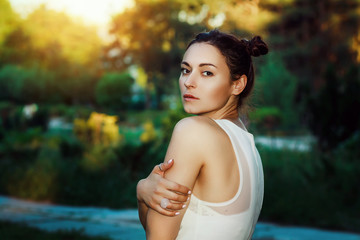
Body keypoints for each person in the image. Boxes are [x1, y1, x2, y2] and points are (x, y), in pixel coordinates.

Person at [136, 29, 268, 240]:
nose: (189, 81)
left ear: (237, 84)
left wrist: (142, 189)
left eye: (207, 72)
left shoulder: (193, 130)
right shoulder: (246, 143)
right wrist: (144, 195)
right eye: (186, 70)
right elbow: (164, 228)